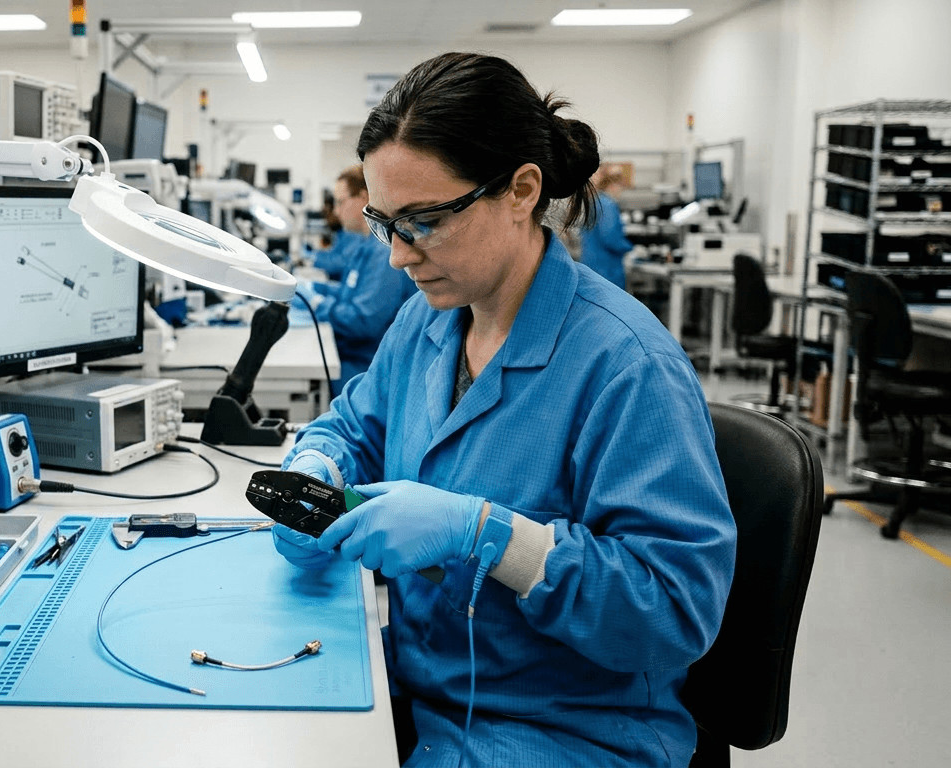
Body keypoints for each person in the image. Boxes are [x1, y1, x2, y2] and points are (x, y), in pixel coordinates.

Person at [271, 52, 736, 767]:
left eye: (423, 221)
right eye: (383, 222)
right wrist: (317, 462)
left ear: (521, 190)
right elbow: (357, 424)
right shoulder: (427, 322)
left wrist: (489, 537)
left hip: (562, 731)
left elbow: (675, 612)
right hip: (426, 686)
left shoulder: (626, 367)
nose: (397, 256)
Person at [297, 165, 418, 386]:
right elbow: (349, 293)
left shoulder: (384, 253)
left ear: (363, 197)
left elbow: (363, 321)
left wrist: (316, 303)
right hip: (353, 354)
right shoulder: (366, 246)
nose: (335, 212)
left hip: (366, 369)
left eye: (341, 202)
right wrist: (311, 288)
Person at [579, 163, 635, 289]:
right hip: (606, 270)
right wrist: (631, 248)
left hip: (591, 266)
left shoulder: (594, 202)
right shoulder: (607, 205)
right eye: (621, 186)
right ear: (614, 185)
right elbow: (610, 238)